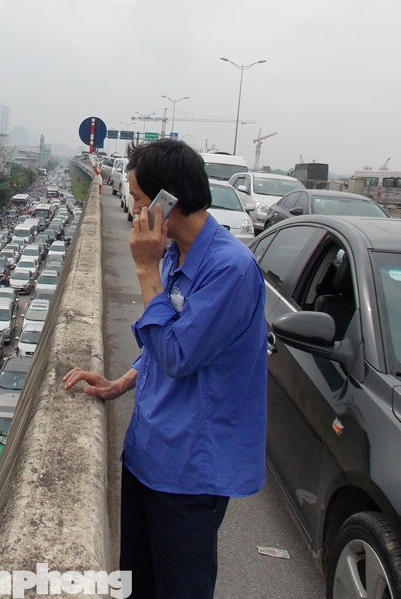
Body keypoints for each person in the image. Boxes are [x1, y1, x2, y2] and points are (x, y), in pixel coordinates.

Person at [64, 139, 267, 599]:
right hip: (148, 455)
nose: (134, 210)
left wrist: (145, 269)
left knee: (178, 586)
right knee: (136, 581)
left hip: (190, 470)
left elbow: (178, 353)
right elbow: (164, 341)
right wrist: (123, 381)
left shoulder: (229, 270)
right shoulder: (177, 254)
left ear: (167, 201)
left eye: (138, 199)